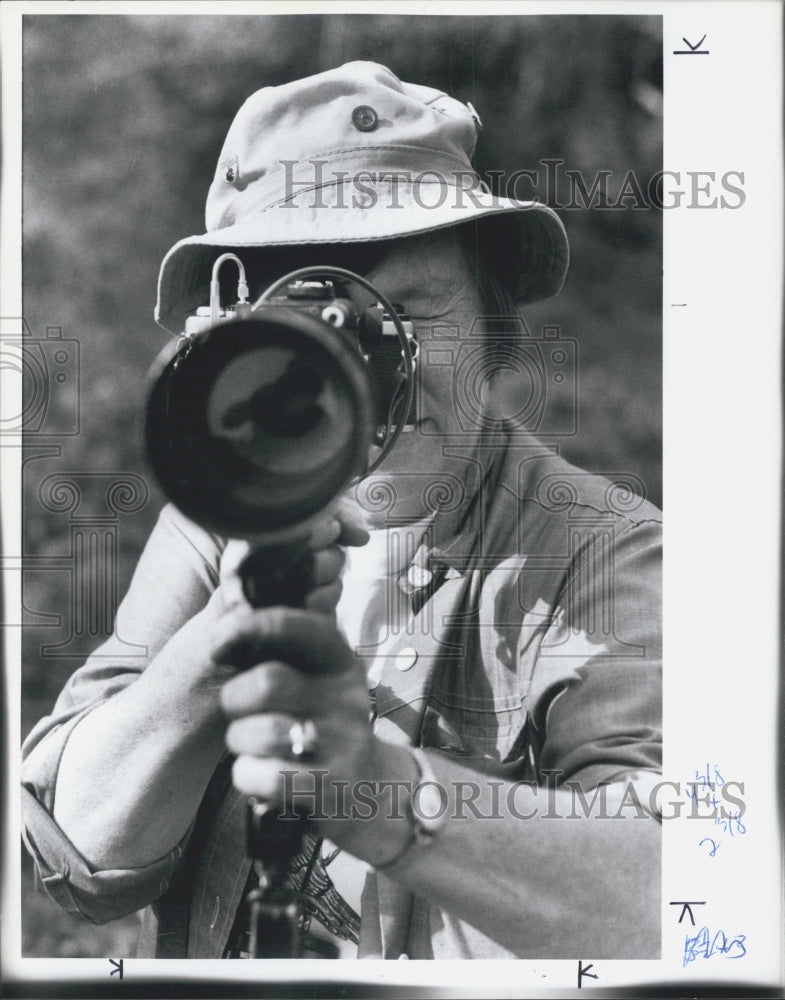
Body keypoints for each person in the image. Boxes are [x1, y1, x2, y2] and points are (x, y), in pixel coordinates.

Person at [21, 61, 662, 960]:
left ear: (492, 326)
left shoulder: (602, 554)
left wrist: (374, 784)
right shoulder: (221, 520)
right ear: (232, 342)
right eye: (317, 321)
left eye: (410, 310)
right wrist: (217, 650)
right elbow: (81, 852)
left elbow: (677, 893)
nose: (372, 369)